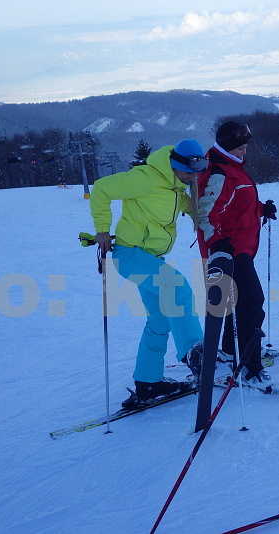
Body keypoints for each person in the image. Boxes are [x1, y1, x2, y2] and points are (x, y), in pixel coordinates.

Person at [90, 139, 209, 409]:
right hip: (130, 255)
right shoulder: (145, 178)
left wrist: (208, 217)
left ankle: (148, 382)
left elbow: (188, 206)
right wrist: (102, 230)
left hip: (149, 258)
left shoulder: (177, 186)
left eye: (197, 172)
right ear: (176, 165)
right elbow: (101, 189)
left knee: (160, 320)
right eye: (189, 172)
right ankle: (194, 351)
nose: (193, 178)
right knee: (177, 286)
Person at [195, 121, 279, 391]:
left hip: (240, 246)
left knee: (237, 302)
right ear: (227, 146)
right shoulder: (219, 172)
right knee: (252, 301)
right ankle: (249, 365)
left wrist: (261, 209)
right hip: (229, 250)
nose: (244, 152)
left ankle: (232, 351)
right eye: (240, 148)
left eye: (245, 147)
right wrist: (218, 242)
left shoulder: (232, 167)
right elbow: (206, 214)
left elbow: (235, 205)